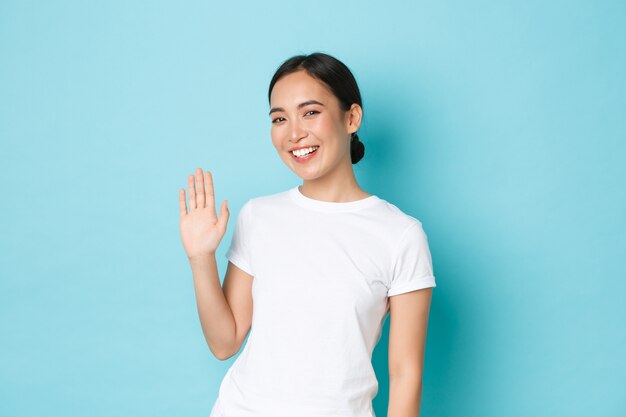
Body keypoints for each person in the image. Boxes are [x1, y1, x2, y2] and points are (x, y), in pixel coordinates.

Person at [178, 52, 437, 417]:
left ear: (352, 117)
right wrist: (201, 258)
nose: (294, 132)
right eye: (279, 118)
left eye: (310, 112)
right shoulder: (258, 216)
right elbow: (225, 342)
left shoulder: (400, 235)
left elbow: (406, 374)